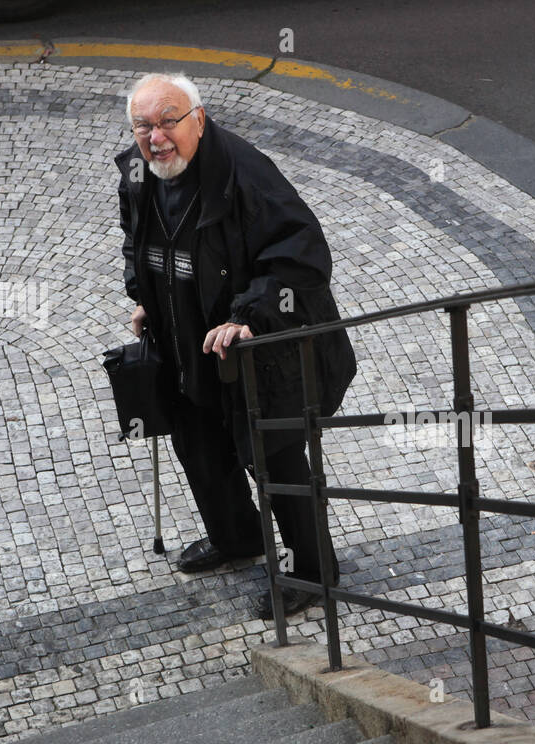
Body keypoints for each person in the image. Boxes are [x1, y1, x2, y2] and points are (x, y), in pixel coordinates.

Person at [115, 72, 354, 617]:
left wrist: (250, 317)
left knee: (275, 457)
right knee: (198, 443)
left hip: (260, 353)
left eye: (168, 122)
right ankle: (236, 537)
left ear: (197, 117)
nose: (156, 138)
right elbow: (135, 239)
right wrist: (146, 294)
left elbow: (304, 256)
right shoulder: (138, 171)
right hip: (184, 340)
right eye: (143, 126)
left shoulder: (245, 176)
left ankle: (316, 573)